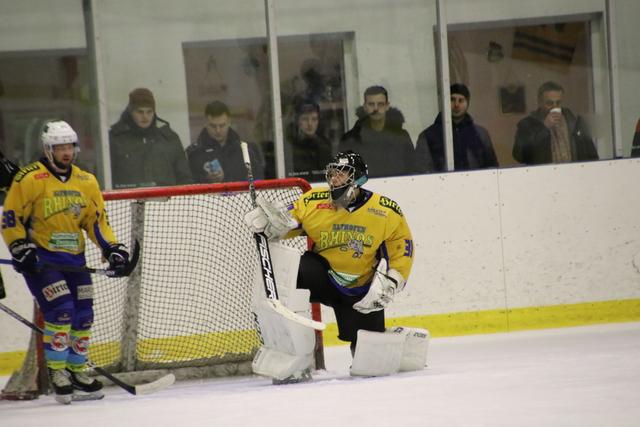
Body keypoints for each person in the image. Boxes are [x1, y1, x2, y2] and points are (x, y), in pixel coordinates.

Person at [244, 151, 428, 383]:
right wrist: (270, 223)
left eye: (341, 175)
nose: (334, 180)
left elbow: (403, 250)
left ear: (358, 178)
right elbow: (287, 220)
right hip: (322, 276)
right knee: (293, 272)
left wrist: (390, 283)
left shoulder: (386, 211)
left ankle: (400, 342)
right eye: (332, 174)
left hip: (361, 291)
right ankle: (292, 356)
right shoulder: (313, 201)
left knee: (370, 363)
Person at [1, 120, 131, 404]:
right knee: (61, 310)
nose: (66, 152)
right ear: (48, 149)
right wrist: (20, 247)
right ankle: (58, 372)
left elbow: (96, 222)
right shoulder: (28, 179)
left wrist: (113, 249)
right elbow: (11, 218)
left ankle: (76, 370)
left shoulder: (86, 181)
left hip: (75, 260)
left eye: (69, 146)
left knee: (83, 315)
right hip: (43, 261)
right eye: (59, 147)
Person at [109, 88, 192, 188]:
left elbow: (184, 177)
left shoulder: (169, 138)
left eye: (149, 112)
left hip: (167, 201)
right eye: (140, 112)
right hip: (126, 200)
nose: (145, 117)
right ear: (131, 112)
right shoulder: (115, 139)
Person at [415, 83, 498, 172]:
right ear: (445, 102)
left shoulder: (480, 134)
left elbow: (492, 168)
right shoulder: (428, 135)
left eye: (461, 100)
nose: (456, 105)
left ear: (468, 103)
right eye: (452, 99)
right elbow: (421, 171)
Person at [513, 81, 598, 165]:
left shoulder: (575, 122)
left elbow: (592, 155)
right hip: (544, 176)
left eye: (558, 103)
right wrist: (544, 128)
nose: (555, 107)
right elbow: (519, 156)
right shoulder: (527, 124)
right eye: (549, 103)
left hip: (575, 175)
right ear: (539, 103)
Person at [338, 86, 414, 177]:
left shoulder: (401, 137)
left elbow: (413, 170)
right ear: (365, 106)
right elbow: (343, 174)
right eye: (371, 104)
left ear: (387, 106)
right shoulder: (351, 140)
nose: (376, 109)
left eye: (380, 104)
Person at [186, 101, 264, 183]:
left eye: (222, 125)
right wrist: (208, 180)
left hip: (243, 195)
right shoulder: (194, 154)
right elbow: (189, 186)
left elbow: (259, 181)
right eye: (213, 126)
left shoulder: (246, 150)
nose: (218, 130)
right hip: (209, 196)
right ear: (205, 123)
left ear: (229, 122)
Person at [285, 100, 332, 181]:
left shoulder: (325, 145)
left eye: (314, 119)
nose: (310, 124)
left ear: (318, 122)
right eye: (305, 119)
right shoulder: (290, 146)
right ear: (298, 122)